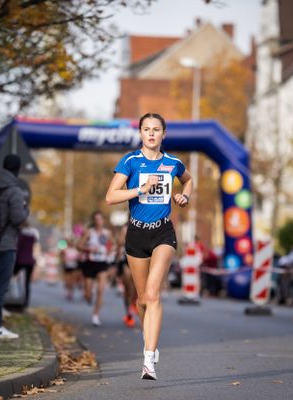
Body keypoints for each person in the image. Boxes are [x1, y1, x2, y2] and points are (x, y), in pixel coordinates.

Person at [105, 112, 192, 380]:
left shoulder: (172, 163)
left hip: (163, 233)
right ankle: (149, 342)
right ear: (140, 133)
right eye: (146, 129)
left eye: (156, 129)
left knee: (153, 294)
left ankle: (148, 359)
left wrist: (183, 196)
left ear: (164, 134)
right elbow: (110, 197)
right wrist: (141, 189)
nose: (151, 133)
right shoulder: (130, 161)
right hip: (137, 235)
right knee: (142, 299)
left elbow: (188, 179)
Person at [0, 154, 29, 339]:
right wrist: (26, 208)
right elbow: (18, 218)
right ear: (17, 169)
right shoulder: (14, 191)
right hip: (6, 243)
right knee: (0, 286)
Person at [78, 211, 114, 327]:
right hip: (90, 263)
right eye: (96, 219)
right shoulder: (89, 232)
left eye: (100, 219)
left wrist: (109, 252)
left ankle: (96, 315)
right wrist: (89, 249)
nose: (98, 221)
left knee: (100, 290)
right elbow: (78, 245)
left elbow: (113, 245)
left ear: (103, 221)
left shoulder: (107, 233)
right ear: (94, 221)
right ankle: (88, 294)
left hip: (102, 263)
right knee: (88, 294)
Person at [14, 222, 39, 308]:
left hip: (20, 260)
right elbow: (35, 248)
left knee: (11, 278)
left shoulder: (20, 235)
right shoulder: (33, 236)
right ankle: (26, 301)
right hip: (30, 261)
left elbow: (17, 248)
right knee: (27, 283)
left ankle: (12, 296)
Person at [117, 224, 137, 328]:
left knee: (135, 289)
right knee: (128, 289)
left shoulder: (145, 223)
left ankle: (133, 307)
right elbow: (119, 243)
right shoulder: (125, 228)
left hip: (139, 258)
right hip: (126, 260)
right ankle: (128, 312)